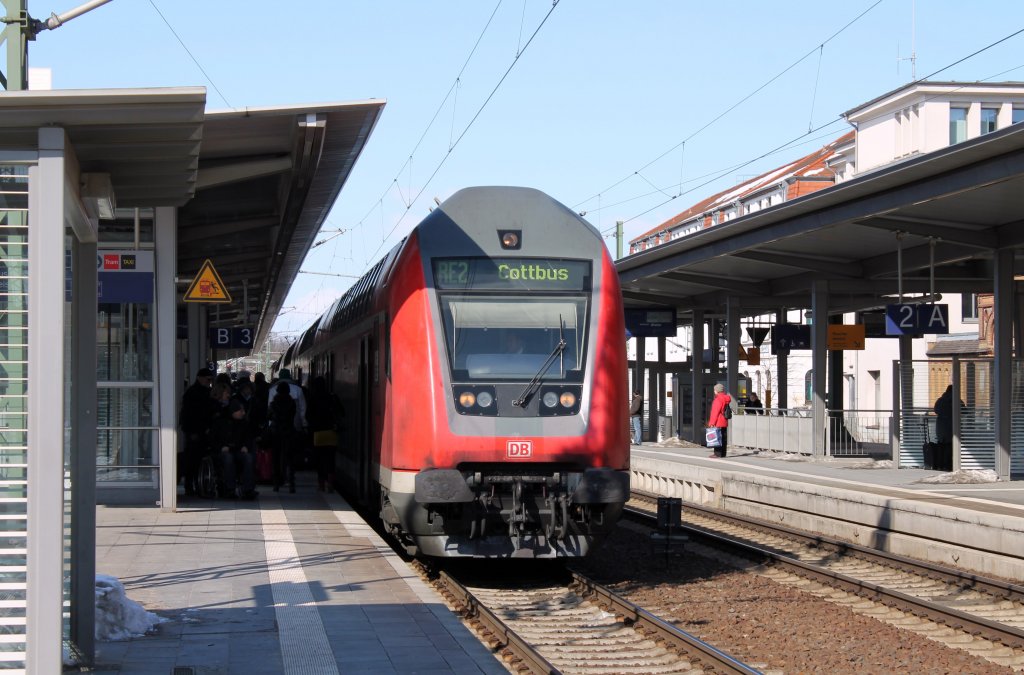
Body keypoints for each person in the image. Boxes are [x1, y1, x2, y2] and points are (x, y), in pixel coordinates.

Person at [208, 382, 257, 499]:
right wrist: (221, 447)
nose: (243, 413)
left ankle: (248, 488)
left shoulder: (243, 423)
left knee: (249, 458)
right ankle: (229, 488)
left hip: (238, 449)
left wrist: (245, 446)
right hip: (223, 449)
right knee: (228, 458)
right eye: (240, 411)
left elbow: (248, 437)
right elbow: (213, 438)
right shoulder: (220, 421)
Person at [179, 367, 215, 495]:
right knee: (192, 460)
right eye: (207, 379)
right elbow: (187, 414)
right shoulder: (193, 393)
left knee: (195, 460)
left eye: (210, 379)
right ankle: (191, 485)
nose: (209, 381)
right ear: (200, 378)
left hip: (200, 431)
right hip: (195, 431)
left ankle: (195, 485)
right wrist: (190, 431)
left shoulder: (201, 392)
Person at [305, 376, 344, 492]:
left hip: (318, 434)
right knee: (331, 459)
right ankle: (330, 484)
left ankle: (321, 484)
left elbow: (307, 416)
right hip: (331, 433)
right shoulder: (332, 397)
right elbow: (342, 412)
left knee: (320, 460)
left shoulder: (312, 398)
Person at [269, 381, 299, 493]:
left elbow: (269, 416)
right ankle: (291, 483)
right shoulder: (292, 403)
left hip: (276, 433)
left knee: (276, 458)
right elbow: (293, 415)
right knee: (290, 459)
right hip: (289, 432)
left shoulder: (273, 403)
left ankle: (276, 484)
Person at [707, 383, 732, 458]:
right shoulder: (726, 398)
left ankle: (717, 453)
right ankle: (723, 453)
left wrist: (712, 423)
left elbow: (715, 412)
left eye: (714, 390)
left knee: (717, 437)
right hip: (724, 421)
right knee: (723, 438)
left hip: (718, 421)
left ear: (717, 391)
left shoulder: (718, 399)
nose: (714, 391)